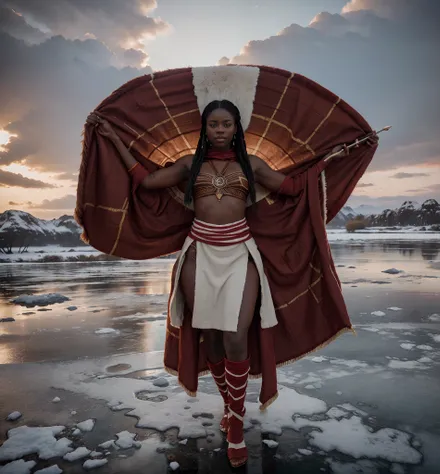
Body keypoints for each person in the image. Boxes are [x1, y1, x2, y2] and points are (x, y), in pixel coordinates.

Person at [86, 100, 377, 468]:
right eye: (213, 125)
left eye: (226, 124)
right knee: (211, 334)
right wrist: (112, 137)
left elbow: (291, 187)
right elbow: (146, 180)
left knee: (237, 335)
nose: (220, 130)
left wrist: (331, 160)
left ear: (236, 128)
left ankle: (236, 423)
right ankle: (229, 404)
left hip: (241, 252)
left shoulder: (252, 165)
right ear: (205, 129)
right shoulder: (190, 166)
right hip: (198, 254)